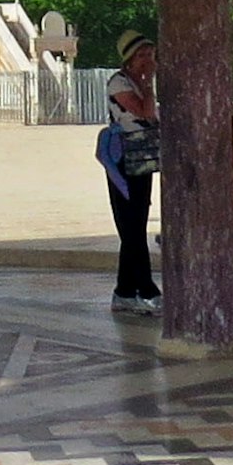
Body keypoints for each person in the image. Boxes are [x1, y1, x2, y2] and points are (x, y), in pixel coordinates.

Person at [99, 36, 159, 312]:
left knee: (135, 224)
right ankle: (146, 289)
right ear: (129, 58)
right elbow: (146, 114)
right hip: (124, 161)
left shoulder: (138, 83)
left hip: (141, 160)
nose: (147, 60)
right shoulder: (120, 83)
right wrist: (148, 85)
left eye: (150, 54)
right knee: (131, 227)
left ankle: (124, 291)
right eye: (141, 55)